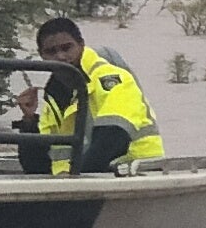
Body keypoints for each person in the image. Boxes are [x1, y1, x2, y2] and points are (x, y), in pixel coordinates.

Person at [11, 16, 165, 175]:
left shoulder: (112, 79)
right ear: (41, 55)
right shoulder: (54, 97)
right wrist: (29, 122)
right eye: (51, 51)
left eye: (67, 48)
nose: (60, 57)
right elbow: (36, 167)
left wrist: (73, 181)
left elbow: (112, 141)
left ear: (81, 45)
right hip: (82, 185)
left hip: (134, 177)